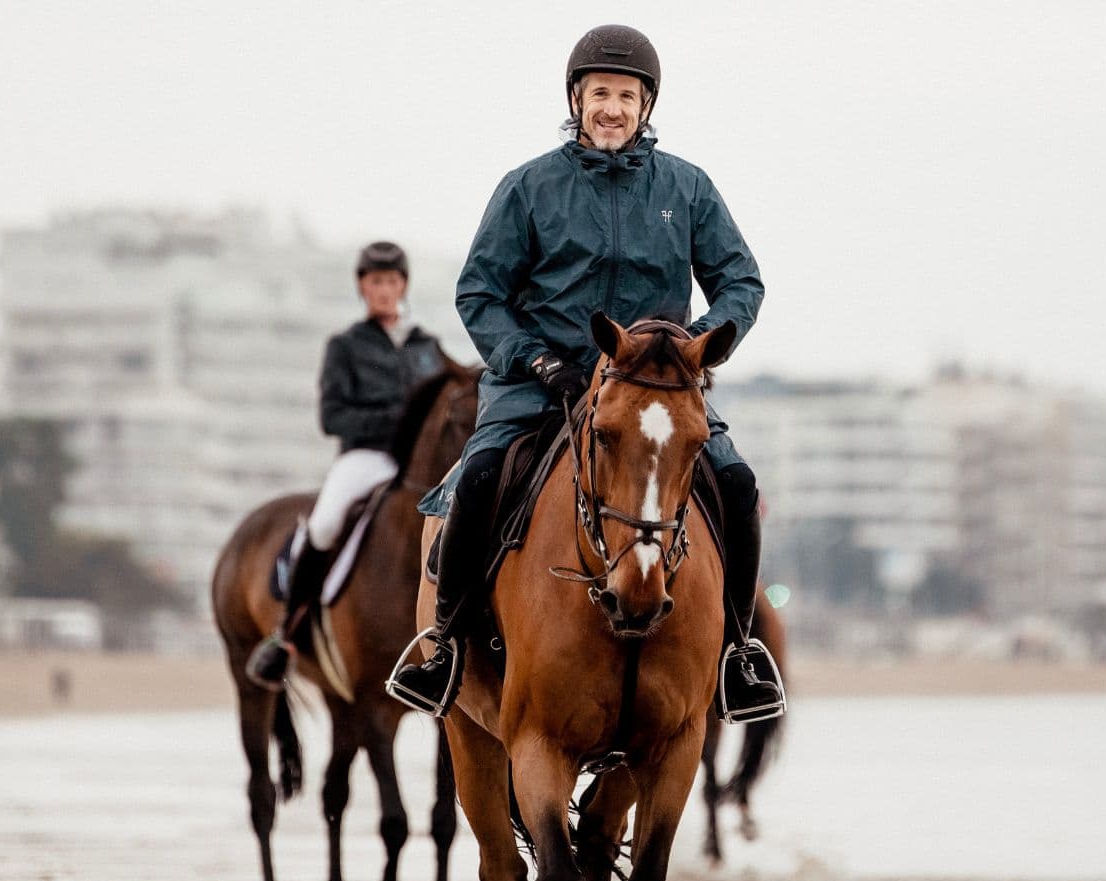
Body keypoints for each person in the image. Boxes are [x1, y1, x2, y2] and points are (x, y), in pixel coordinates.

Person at [388, 25, 785, 723]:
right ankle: (443, 647)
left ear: (646, 107)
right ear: (577, 100)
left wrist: (692, 348)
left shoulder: (688, 189)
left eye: (626, 96)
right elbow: (480, 294)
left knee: (737, 483)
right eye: (600, 93)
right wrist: (534, 359)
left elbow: (741, 283)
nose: (612, 108)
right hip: (541, 385)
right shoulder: (528, 187)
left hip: (656, 390)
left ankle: (740, 653)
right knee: (477, 481)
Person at [246, 241, 444, 687]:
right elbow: (332, 416)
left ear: (404, 285)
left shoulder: (427, 347)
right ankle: (288, 635)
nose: (384, 290)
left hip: (422, 465)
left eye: (392, 281)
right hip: (366, 456)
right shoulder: (346, 346)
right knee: (324, 523)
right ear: (362, 287)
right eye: (376, 282)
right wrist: (396, 423)